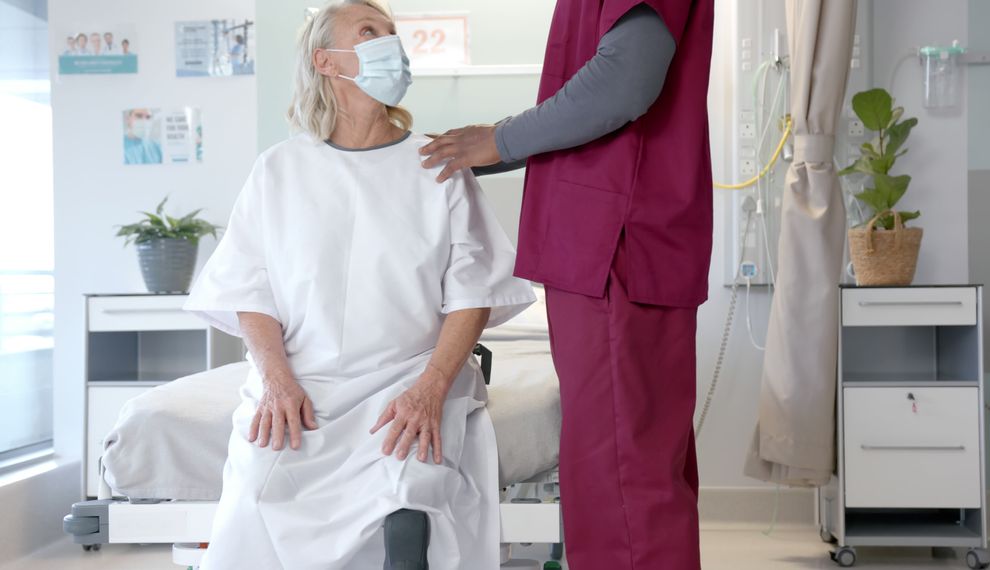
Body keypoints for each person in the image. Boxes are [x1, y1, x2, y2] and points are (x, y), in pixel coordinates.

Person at [183, 1, 534, 568]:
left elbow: (474, 291)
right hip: (304, 380)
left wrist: (431, 388)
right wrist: (276, 381)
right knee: (255, 500)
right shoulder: (279, 169)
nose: (389, 45)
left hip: (408, 377)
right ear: (326, 61)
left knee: (409, 500)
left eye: (392, 34)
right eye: (370, 32)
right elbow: (249, 289)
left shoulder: (438, 165)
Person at [420, 1, 714, 568]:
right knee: (635, 467)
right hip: (620, 240)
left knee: (621, 477)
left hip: (615, 244)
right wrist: (496, 148)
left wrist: (500, 139)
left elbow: (624, 82)